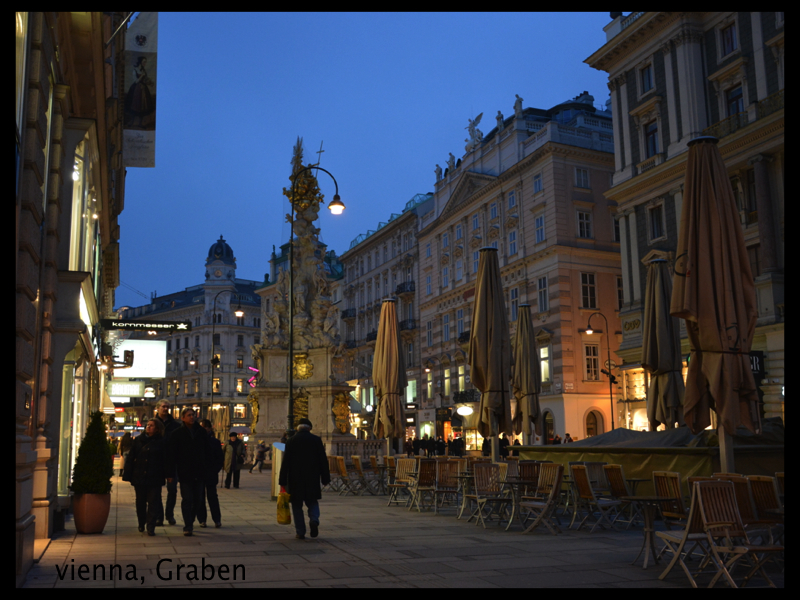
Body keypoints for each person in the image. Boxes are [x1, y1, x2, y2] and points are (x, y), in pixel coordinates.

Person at [278, 418, 330, 540]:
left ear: (297, 428)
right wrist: (325, 478)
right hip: (312, 478)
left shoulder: (291, 441)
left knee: (296, 506)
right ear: (309, 428)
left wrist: (282, 481)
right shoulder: (316, 440)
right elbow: (323, 460)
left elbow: (285, 462)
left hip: (295, 479)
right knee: (312, 501)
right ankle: (314, 520)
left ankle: (300, 532)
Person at [166, 408, 209, 536]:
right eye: (189, 415)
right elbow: (171, 455)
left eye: (193, 415)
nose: (192, 417)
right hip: (185, 472)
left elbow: (207, 452)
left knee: (198, 500)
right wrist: (170, 474)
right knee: (187, 499)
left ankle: (191, 518)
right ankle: (188, 525)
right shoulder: (177, 434)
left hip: (199, 471)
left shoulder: (201, 432)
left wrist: (208, 468)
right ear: (183, 418)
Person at [122, 419, 166, 536]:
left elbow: (166, 460)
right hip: (140, 476)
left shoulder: (161, 442)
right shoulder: (138, 440)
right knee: (140, 502)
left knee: (153, 502)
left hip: (155, 476)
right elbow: (131, 458)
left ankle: (150, 526)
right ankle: (142, 522)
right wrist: (127, 474)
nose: (148, 427)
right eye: (148, 425)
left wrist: (168, 474)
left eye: (151, 426)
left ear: (157, 429)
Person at [154, 400, 180, 526]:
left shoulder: (175, 425)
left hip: (171, 461)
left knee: (172, 490)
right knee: (156, 490)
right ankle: (159, 516)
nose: (165, 409)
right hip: (157, 460)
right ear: (158, 408)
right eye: (163, 407)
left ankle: (169, 514)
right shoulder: (153, 424)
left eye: (167, 407)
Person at [197, 419, 223, 528]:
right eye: (201, 427)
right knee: (200, 497)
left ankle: (217, 519)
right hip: (199, 473)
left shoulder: (215, 442)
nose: (204, 429)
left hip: (211, 473)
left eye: (205, 427)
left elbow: (220, 458)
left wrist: (215, 469)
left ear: (209, 428)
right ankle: (202, 519)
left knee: (212, 497)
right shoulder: (196, 441)